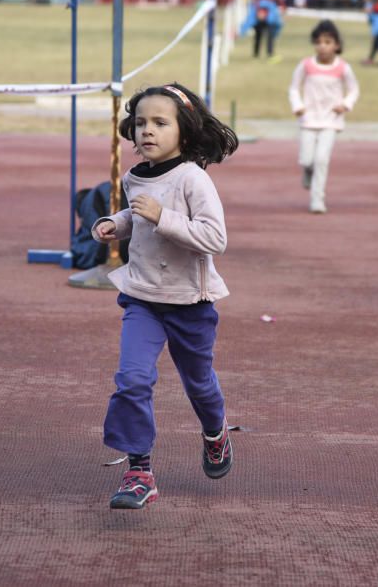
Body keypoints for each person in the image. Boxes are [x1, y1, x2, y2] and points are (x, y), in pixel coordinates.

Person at [92, 82, 239, 510]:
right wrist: (113, 224)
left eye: (160, 122)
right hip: (141, 297)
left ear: (185, 132)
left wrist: (164, 217)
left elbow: (215, 238)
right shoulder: (134, 176)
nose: (147, 131)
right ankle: (139, 471)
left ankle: (216, 433)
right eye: (140, 123)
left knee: (200, 385)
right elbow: (134, 215)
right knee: (133, 379)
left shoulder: (193, 179)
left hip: (190, 303)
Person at [288, 20, 360, 214]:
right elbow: (294, 87)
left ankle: (317, 199)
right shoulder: (306, 65)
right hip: (308, 119)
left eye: (327, 42)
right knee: (306, 159)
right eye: (319, 42)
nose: (322, 46)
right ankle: (307, 170)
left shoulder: (343, 68)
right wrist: (298, 106)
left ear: (336, 45)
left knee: (321, 159)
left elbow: (353, 90)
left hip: (330, 120)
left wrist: (345, 105)